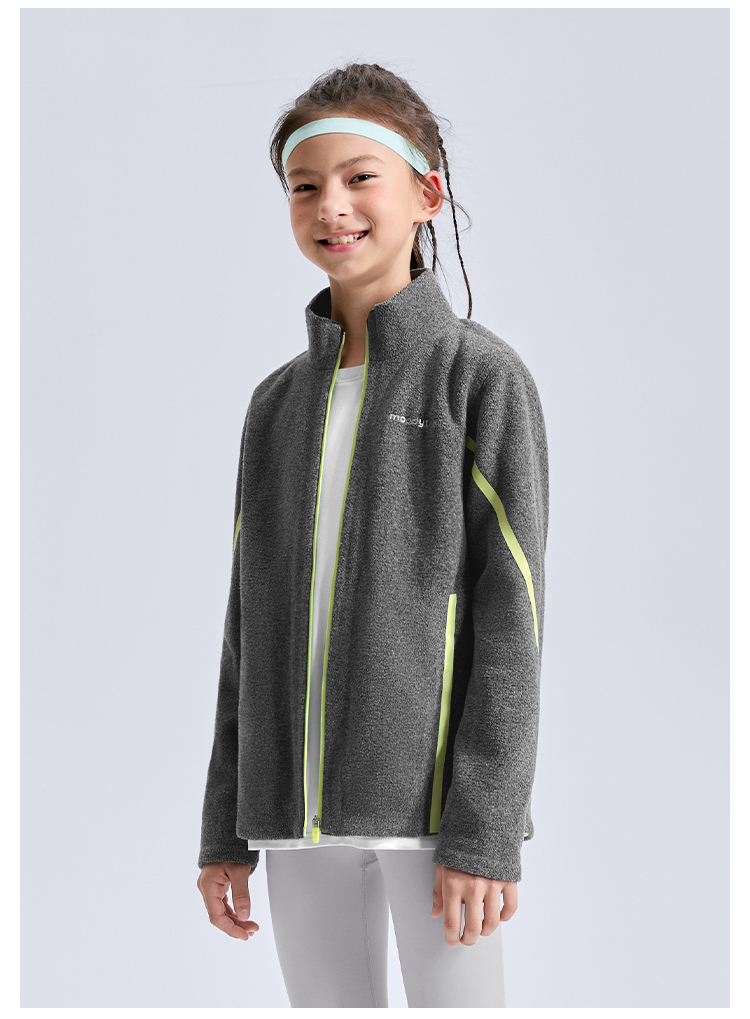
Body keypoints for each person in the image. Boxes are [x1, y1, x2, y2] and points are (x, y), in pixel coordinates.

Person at [196, 61, 550, 1008]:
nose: (331, 206)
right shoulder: (275, 404)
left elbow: (512, 621)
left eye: (360, 177)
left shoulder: (479, 379)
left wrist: (487, 828)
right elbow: (246, 626)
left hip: (433, 820)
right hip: (291, 816)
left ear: (426, 195)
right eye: (304, 186)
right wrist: (226, 826)